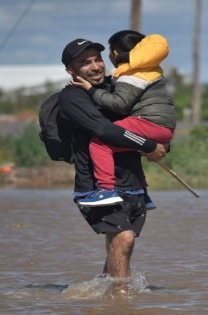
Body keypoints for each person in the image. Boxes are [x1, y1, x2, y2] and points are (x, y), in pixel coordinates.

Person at [57, 38, 167, 281]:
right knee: (124, 238)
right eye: (85, 62)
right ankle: (122, 298)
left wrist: (162, 145)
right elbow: (104, 130)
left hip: (135, 185)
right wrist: (149, 146)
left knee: (120, 247)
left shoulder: (117, 88)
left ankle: (106, 299)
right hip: (97, 188)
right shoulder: (71, 98)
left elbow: (148, 120)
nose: (95, 66)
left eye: (98, 59)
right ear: (70, 70)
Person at [70, 30, 176, 207]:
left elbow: (119, 104)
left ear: (115, 54)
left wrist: (91, 89)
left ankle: (106, 190)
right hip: (164, 128)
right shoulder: (151, 71)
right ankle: (144, 194)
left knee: (100, 142)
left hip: (148, 122)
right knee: (128, 145)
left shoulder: (131, 74)